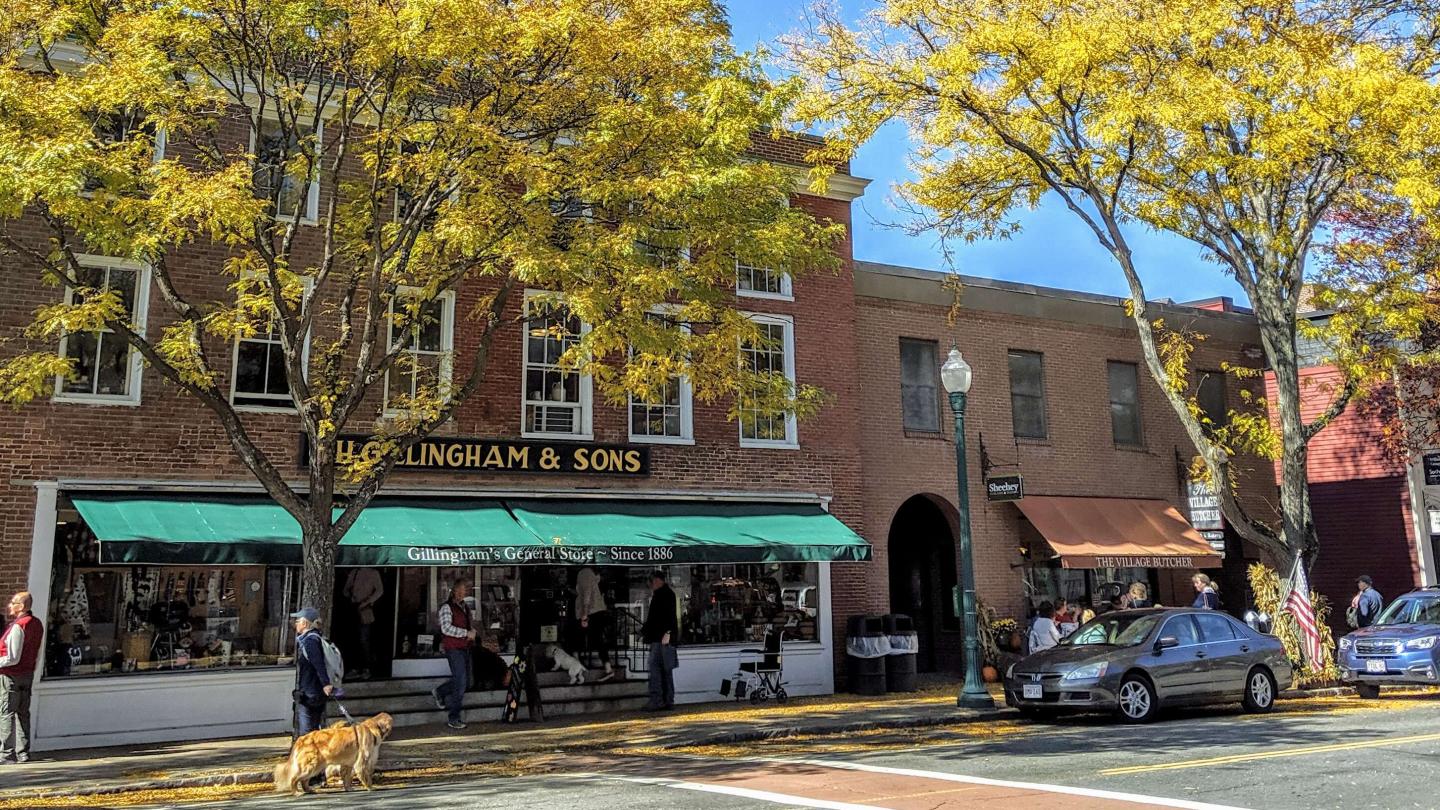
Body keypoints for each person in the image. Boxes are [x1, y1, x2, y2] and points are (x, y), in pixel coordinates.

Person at [0, 592, 42, 764]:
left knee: (6, 713)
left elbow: (12, 657)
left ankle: (6, 754)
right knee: (23, 713)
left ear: (22, 607)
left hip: (11, 675)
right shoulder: (37, 624)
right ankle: (23, 752)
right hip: (27, 674)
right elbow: (38, 653)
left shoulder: (19, 626)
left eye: (13, 602)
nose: (10, 605)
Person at [431, 579, 475, 730]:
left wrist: (473, 632)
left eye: (465, 590)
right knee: (461, 681)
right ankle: (454, 717)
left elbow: (468, 625)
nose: (464, 593)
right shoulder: (446, 607)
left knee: (467, 681)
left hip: (465, 647)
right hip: (453, 648)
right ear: (454, 591)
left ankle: (440, 691)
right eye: (461, 590)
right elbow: (446, 629)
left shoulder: (465, 607)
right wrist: (466, 633)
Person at [290, 607, 333, 737]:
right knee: (314, 732)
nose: (295, 624)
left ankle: (308, 756)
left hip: (311, 693)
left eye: (297, 621)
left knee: (307, 735)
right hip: (316, 691)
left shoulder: (310, 641)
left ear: (305, 623)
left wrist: (326, 683)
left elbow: (318, 664)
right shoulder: (317, 638)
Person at [641, 570, 678, 711]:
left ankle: (659, 700)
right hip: (660, 637)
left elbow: (668, 616)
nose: (651, 585)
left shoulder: (665, 595)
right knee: (663, 669)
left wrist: (667, 632)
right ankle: (665, 700)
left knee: (658, 668)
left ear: (657, 581)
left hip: (662, 638)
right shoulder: (664, 594)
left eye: (652, 581)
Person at [574, 567, 615, 682]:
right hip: (596, 611)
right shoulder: (592, 574)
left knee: (579, 636)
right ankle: (607, 668)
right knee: (596, 639)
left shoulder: (584, 572)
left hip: (591, 612)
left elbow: (586, 593)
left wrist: (584, 615)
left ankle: (577, 664)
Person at [342, 568, 383, 680]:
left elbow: (379, 590)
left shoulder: (374, 573)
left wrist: (368, 601)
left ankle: (367, 668)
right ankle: (355, 668)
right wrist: (352, 597)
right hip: (354, 609)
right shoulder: (354, 572)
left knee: (364, 640)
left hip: (366, 611)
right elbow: (345, 590)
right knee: (353, 640)